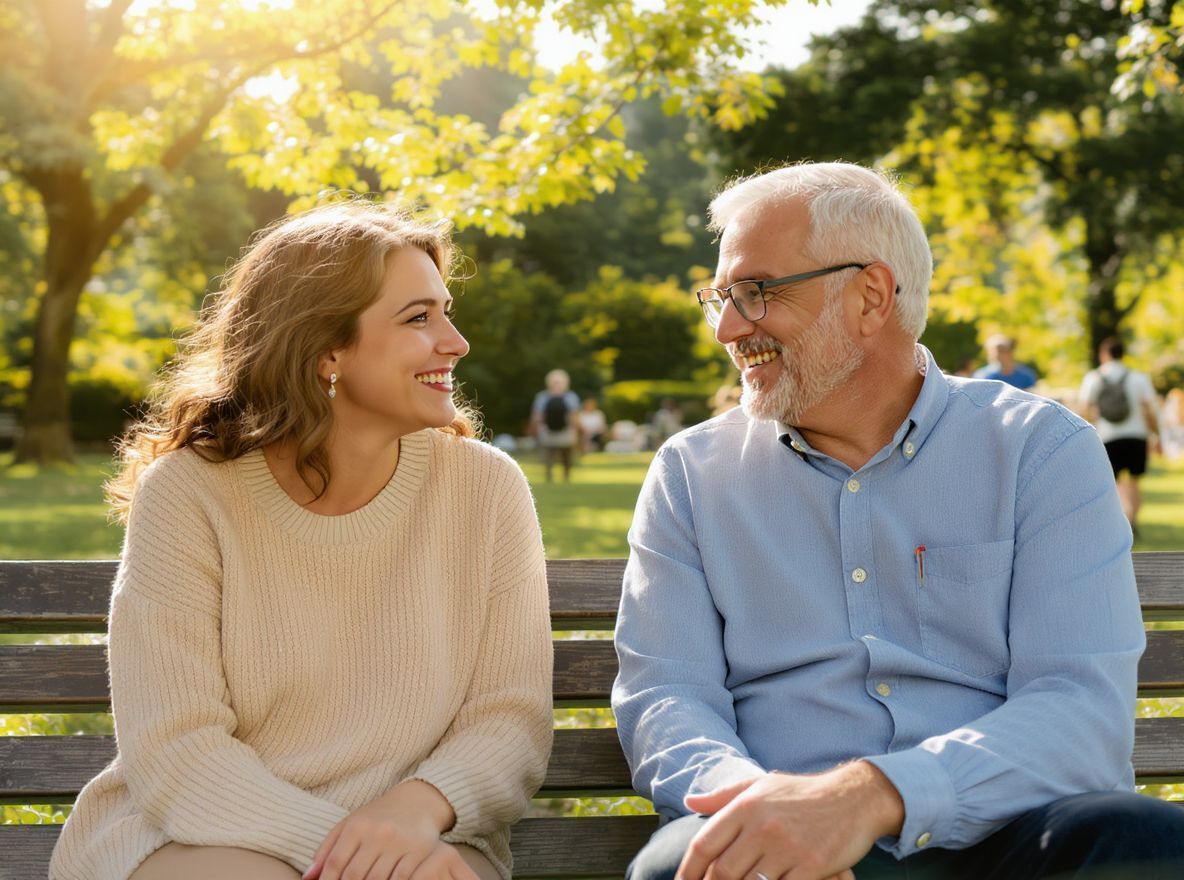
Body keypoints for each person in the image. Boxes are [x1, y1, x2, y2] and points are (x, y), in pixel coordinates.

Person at [612, 162, 1184, 880]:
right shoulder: (690, 475)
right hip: (786, 842)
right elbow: (667, 696)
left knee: (1146, 843)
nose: (728, 328)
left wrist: (871, 797)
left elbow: (1080, 712)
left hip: (1012, 835)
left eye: (756, 293)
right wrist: (763, 810)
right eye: (721, 298)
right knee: (690, 868)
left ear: (871, 296)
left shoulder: (1040, 450)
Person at [50, 202, 553, 880]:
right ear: (326, 353)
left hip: (422, 840)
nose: (456, 342)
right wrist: (349, 850)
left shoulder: (487, 490)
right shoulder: (189, 492)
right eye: (419, 318)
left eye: (445, 310)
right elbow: (178, 751)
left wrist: (416, 810)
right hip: (198, 834)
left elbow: (509, 720)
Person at [1078, 337, 1160, 536]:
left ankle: (1117, 521)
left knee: (1112, 481)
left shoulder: (1094, 377)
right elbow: (1150, 409)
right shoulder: (1138, 377)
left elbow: (1084, 408)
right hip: (1135, 435)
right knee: (1133, 481)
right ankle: (1132, 520)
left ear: (1104, 354)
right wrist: (1157, 435)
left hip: (1107, 436)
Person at [530, 369, 579, 482]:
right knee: (565, 456)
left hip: (548, 431)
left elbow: (537, 416)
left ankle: (550, 476)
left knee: (550, 455)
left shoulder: (542, 397)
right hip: (565, 432)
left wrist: (534, 429)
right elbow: (574, 416)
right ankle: (565, 476)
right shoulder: (571, 397)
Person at [973, 333, 1038, 389]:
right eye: (994, 351)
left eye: (1002, 350)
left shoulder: (1026, 375)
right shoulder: (982, 377)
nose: (998, 354)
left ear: (1010, 352)